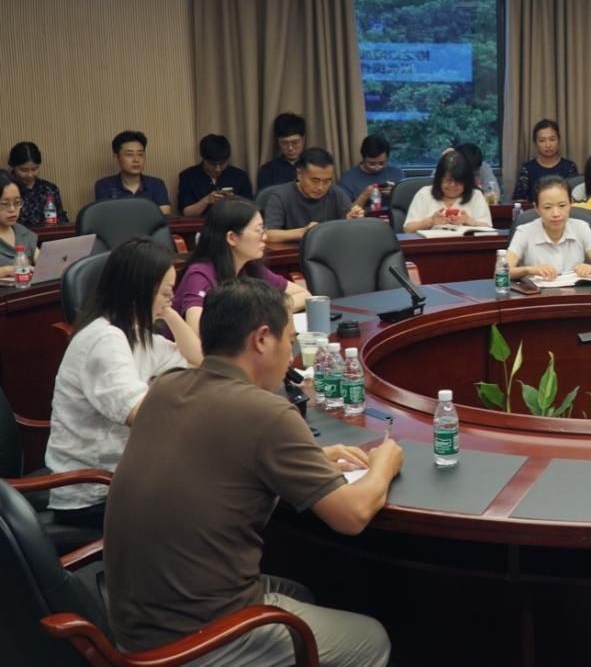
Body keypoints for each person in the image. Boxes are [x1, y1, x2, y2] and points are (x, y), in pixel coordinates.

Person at [103, 277, 403, 665]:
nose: (292, 354)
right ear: (261, 339)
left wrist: (310, 459)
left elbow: (222, 457)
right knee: (371, 638)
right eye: (290, 339)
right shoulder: (268, 413)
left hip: (133, 623)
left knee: (301, 593)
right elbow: (353, 515)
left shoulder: (165, 387)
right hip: (193, 641)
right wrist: (384, 464)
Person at [45, 237, 202, 528]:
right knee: (207, 499)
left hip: (126, 475)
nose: (171, 298)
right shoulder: (105, 340)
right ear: (138, 290)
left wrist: (168, 312)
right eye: (166, 292)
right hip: (93, 491)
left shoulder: (134, 333)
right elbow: (141, 415)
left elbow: (197, 360)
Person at [174, 197, 309, 335]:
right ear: (232, 238)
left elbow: (304, 295)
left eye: (264, 229)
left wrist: (261, 311)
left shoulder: (250, 267)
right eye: (258, 230)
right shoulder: (199, 275)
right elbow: (198, 333)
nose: (265, 237)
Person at [507, 176, 591, 281]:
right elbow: (502, 272)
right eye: (548, 207)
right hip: (538, 292)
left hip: (576, 291)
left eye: (562, 205)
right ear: (537, 208)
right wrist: (528, 270)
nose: (556, 214)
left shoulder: (581, 227)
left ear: (571, 203)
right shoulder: (524, 232)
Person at [264, 148, 364, 243]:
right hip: (294, 252)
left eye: (327, 181)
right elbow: (268, 234)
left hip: (330, 250)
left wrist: (352, 220)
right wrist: (303, 232)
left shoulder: (336, 193)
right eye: (315, 180)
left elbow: (347, 227)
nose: (321, 187)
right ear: (299, 174)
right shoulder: (280, 196)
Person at [403, 150, 493, 232]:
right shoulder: (424, 194)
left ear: (466, 181)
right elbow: (407, 229)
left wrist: (470, 221)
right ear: (439, 179)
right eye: (448, 180)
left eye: (458, 181)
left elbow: (489, 229)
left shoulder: (476, 196)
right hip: (431, 244)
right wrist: (430, 221)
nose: (452, 185)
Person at [94, 130, 171, 214]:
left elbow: (164, 214)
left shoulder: (156, 184)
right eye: (129, 154)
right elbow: (106, 216)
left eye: (140, 154)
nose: (136, 160)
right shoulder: (104, 186)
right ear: (116, 157)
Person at [177, 133, 254, 217]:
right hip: (201, 223)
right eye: (212, 164)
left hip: (233, 222)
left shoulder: (240, 176)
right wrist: (206, 200)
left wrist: (234, 202)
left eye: (222, 163)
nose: (218, 169)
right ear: (203, 159)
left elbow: (250, 210)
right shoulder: (188, 177)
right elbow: (186, 213)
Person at [512, 119, 578, 202]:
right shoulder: (527, 168)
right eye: (542, 141)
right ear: (535, 143)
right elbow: (519, 200)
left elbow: (575, 197)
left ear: (559, 140)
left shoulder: (569, 167)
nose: (548, 145)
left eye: (552, 139)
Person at [8, 141, 68, 226]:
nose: (30, 175)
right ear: (13, 167)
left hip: (48, 234)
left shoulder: (49, 189)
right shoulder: (6, 190)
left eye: (34, 169)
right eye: (24, 170)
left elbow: (61, 219)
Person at [338, 134, 403, 207]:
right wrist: (364, 196)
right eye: (372, 164)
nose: (377, 167)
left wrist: (395, 193)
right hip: (364, 214)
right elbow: (346, 212)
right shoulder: (348, 180)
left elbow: (407, 204)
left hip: (393, 213)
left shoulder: (397, 173)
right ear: (363, 158)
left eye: (381, 163)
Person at [0, 170, 39, 277]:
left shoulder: (21, 231)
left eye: (17, 202)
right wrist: (6, 270)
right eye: (5, 203)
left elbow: (44, 263)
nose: (12, 209)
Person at [257, 112, 306, 191]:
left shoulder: (313, 166)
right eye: (284, 143)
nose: (290, 148)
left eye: (295, 142)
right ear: (278, 142)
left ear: (303, 140)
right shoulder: (268, 170)